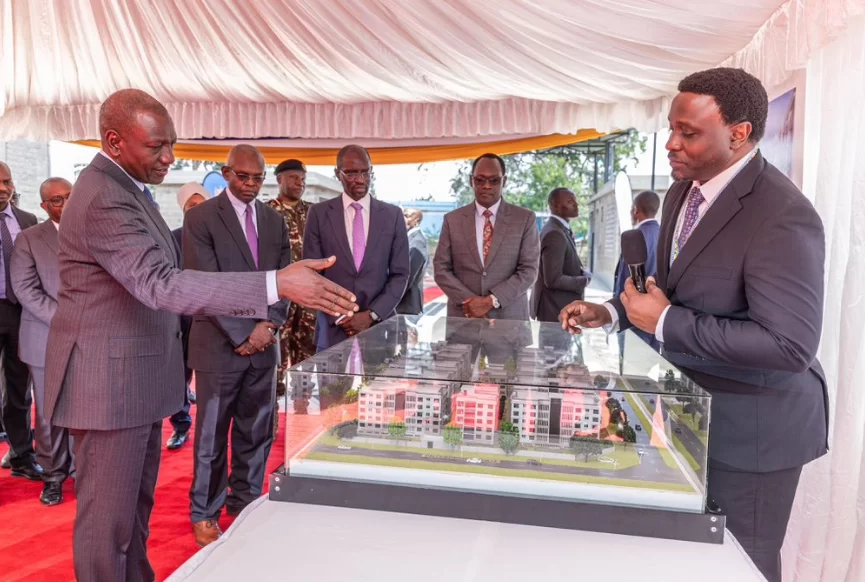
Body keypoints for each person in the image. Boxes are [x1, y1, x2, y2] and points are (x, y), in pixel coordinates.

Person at [42, 88, 358, 582]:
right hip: (110, 389)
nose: (169, 157)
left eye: (171, 144)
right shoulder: (104, 195)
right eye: (156, 146)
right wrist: (276, 282)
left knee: (131, 523)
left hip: (134, 384)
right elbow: (161, 283)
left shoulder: (126, 187)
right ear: (113, 141)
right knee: (109, 530)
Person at [560, 68, 827, 582]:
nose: (671, 145)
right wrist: (612, 312)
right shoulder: (683, 192)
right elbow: (672, 285)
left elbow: (788, 345)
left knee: (741, 567)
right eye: (671, 129)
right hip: (690, 418)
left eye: (689, 133)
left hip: (753, 434)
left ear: (739, 133)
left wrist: (663, 320)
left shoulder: (783, 215)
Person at [184, 145, 291, 546]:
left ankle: (245, 503)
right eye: (243, 176)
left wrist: (270, 326)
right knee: (212, 435)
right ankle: (205, 512)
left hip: (265, 345)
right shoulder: (200, 218)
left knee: (257, 431)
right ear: (226, 173)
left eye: (257, 178)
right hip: (217, 345)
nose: (250, 184)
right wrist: (242, 333)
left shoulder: (274, 220)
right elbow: (202, 283)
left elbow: (286, 280)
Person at [303, 144, 410, 350]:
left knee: (378, 383)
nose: (360, 179)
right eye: (351, 173)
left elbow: (400, 274)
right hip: (333, 329)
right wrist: (343, 316)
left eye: (365, 172)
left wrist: (371, 315)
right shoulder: (318, 214)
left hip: (379, 331)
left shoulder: (392, 216)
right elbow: (312, 275)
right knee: (331, 385)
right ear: (338, 174)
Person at [10, 177, 74, 504]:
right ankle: (53, 476)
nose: (66, 203)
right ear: (45, 206)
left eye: (70, 197)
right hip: (44, 337)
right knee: (49, 412)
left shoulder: (93, 234)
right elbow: (24, 289)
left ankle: (80, 469)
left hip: (90, 339)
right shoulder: (29, 239)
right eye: (58, 199)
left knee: (85, 409)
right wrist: (65, 316)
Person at [434, 153, 539, 320]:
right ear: (471, 181)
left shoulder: (524, 219)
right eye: (480, 180)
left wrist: (491, 301)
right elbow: (441, 269)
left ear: (504, 181)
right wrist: (471, 303)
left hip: (509, 323)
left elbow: (529, 271)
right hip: (463, 320)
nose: (487, 186)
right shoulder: (452, 220)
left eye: (494, 180)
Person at [0, 161, 41, 481]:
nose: (3, 187)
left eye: (7, 181)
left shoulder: (28, 221)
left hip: (19, 313)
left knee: (19, 388)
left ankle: (21, 454)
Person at [267, 159, 317, 396]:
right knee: (278, 351)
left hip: (308, 296)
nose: (300, 183)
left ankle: (302, 403)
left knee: (307, 351)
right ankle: (273, 407)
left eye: (303, 179)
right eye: (294, 178)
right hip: (280, 294)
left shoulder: (313, 212)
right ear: (280, 180)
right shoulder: (266, 211)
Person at [164, 182, 208, 451]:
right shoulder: (172, 238)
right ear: (183, 209)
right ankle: (181, 425)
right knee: (179, 372)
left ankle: (210, 426)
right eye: (192, 206)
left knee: (210, 373)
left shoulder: (222, 237)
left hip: (212, 318)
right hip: (180, 318)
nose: (197, 210)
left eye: (201, 205)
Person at [532, 187, 591, 322]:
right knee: (553, 344)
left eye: (575, 200)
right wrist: (584, 280)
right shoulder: (555, 233)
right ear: (556, 207)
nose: (576, 204)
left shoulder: (560, 229)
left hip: (558, 308)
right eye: (570, 201)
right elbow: (553, 279)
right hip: (554, 310)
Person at [613, 190, 660, 297]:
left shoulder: (632, 237)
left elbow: (625, 277)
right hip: (658, 302)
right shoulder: (666, 234)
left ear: (635, 210)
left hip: (634, 302)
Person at [396, 207, 429, 315]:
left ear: (416, 221)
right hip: (402, 306)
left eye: (406, 216)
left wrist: (390, 297)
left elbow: (408, 276)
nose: (402, 219)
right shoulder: (407, 238)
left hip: (407, 307)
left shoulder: (417, 242)